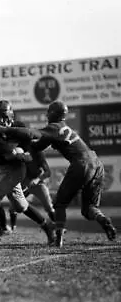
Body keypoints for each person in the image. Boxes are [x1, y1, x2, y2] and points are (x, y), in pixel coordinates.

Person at [29, 101, 117, 247]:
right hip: (96, 163)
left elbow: (36, 143)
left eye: (48, 112)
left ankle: (58, 240)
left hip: (81, 164)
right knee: (88, 209)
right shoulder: (64, 127)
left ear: (52, 113)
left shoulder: (53, 127)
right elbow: (41, 145)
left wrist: (19, 139)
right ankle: (102, 219)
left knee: (60, 203)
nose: (46, 115)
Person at [0, 100, 55, 244]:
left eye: (5, 117)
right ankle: (47, 225)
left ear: (11, 116)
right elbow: (5, 153)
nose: (2, 120)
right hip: (3, 168)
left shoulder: (16, 126)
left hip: (16, 170)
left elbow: (33, 135)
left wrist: (6, 131)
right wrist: (19, 154)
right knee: (20, 206)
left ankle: (4, 227)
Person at [8, 139, 55, 230]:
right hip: (24, 183)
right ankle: (13, 228)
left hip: (38, 184)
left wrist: (37, 180)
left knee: (49, 206)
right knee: (13, 206)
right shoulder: (20, 152)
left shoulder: (39, 153)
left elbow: (48, 172)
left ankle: (58, 226)